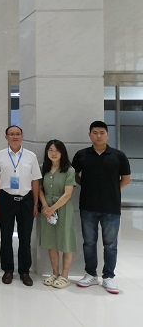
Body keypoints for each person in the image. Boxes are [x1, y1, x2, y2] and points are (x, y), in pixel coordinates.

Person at [73, 121, 131, 294]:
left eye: (102, 132)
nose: (98, 136)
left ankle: (108, 277)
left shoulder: (119, 155)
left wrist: (111, 190)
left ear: (107, 134)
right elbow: (73, 175)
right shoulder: (82, 155)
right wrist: (86, 186)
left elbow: (126, 179)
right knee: (89, 242)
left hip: (111, 207)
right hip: (87, 206)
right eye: (95, 132)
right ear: (89, 135)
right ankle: (91, 274)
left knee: (110, 244)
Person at [0, 125, 41, 286]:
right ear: (6, 137)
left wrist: (35, 203)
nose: (15, 136)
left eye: (18, 134)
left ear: (22, 136)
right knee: (6, 237)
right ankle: (8, 270)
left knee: (25, 238)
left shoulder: (31, 156)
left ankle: (24, 271)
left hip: (26, 200)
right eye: (11, 134)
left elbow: (35, 181)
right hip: (6, 199)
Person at [39, 139, 77, 289]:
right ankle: (55, 273)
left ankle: (64, 275)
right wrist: (45, 207)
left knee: (65, 240)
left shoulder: (69, 170)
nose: (53, 153)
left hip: (63, 208)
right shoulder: (43, 168)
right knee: (51, 242)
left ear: (62, 152)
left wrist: (52, 208)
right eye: (50, 150)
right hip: (47, 209)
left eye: (57, 150)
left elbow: (68, 194)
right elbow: (39, 189)